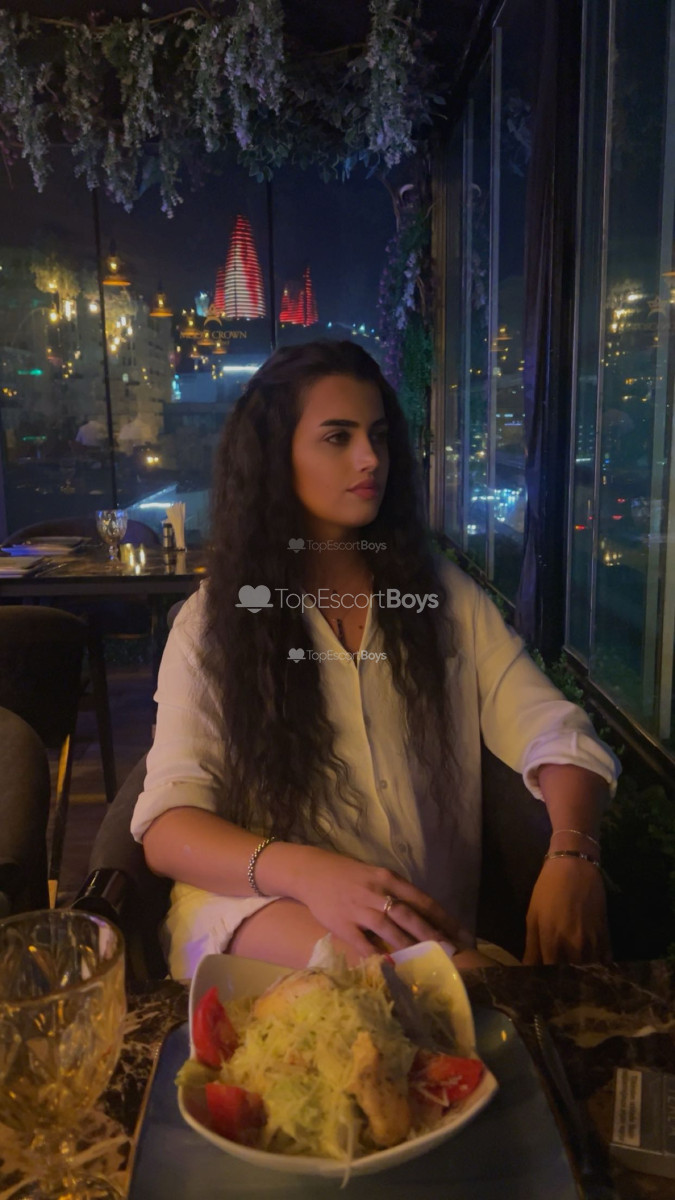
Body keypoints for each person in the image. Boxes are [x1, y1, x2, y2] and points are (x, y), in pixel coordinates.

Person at [131, 340, 620, 980]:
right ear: (275, 456)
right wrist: (311, 873)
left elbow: (551, 725)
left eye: (379, 436)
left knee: (433, 976)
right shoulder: (215, 623)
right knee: (434, 977)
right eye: (338, 437)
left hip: (427, 934)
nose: (370, 459)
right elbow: (168, 825)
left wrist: (574, 852)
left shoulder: (440, 598)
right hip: (271, 922)